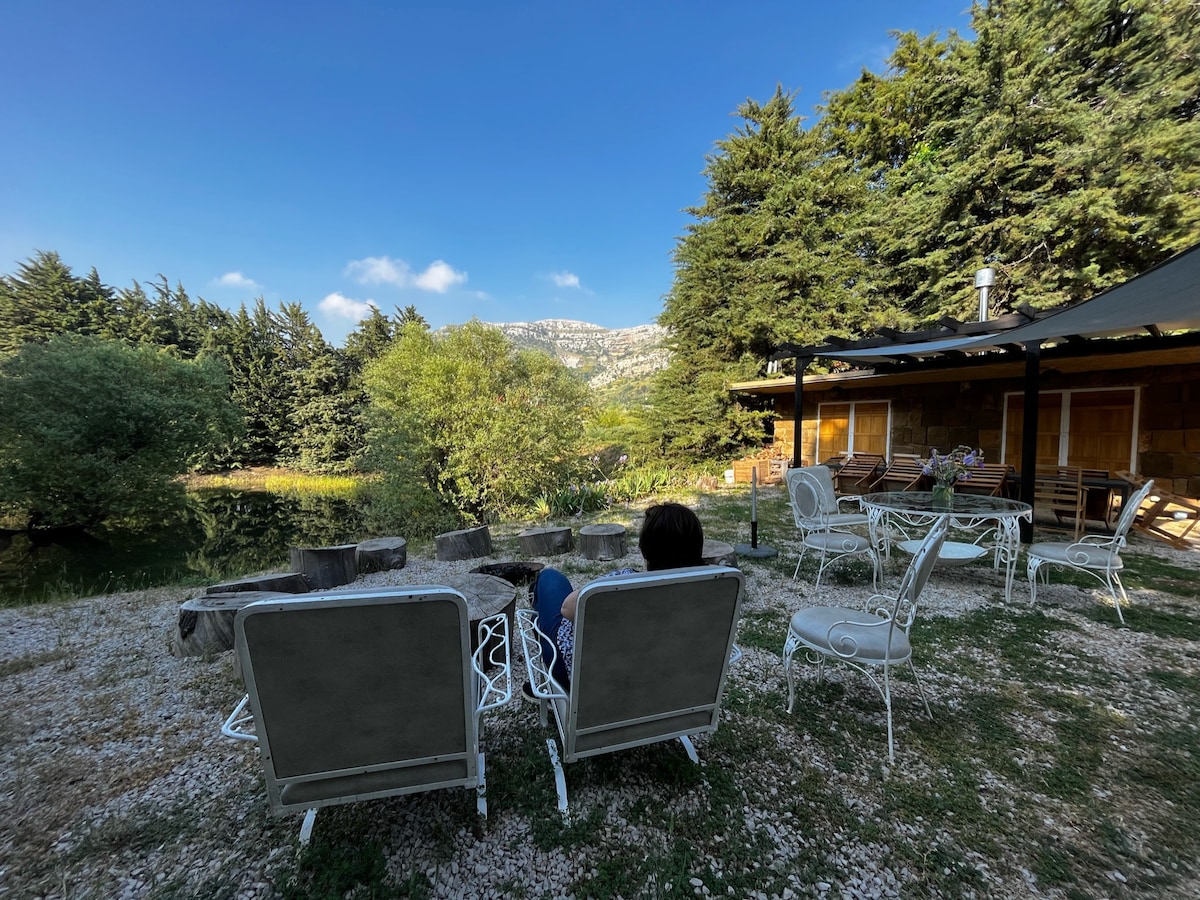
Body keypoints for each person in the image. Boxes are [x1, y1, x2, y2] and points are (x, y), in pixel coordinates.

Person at [525, 502, 705, 699]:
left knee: (551, 578)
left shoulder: (620, 584)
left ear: (645, 549)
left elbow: (567, 609)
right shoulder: (709, 592)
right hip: (660, 686)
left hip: (581, 682)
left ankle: (553, 689)